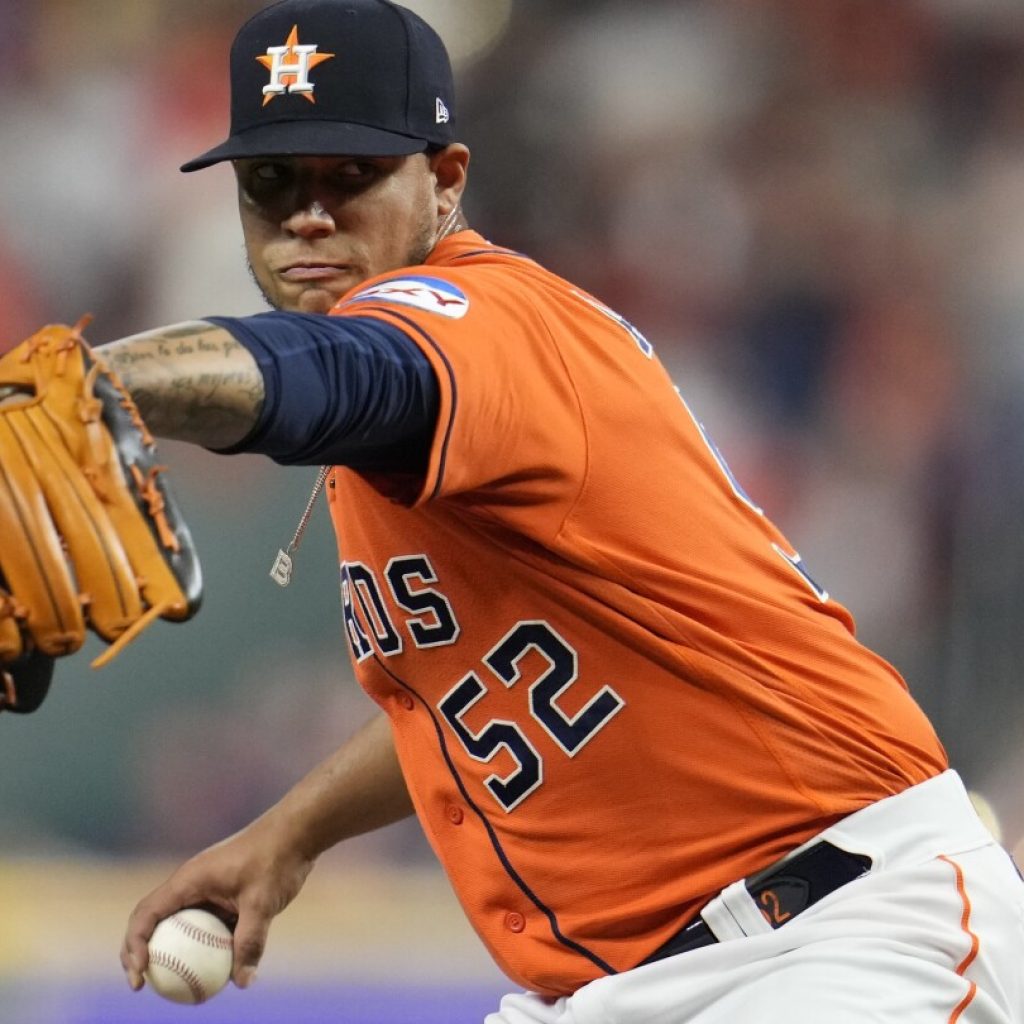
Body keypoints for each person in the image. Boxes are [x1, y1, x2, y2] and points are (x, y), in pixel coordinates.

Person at [110, 0, 1024, 1021]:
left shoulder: (485, 322)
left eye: (351, 176)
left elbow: (327, 373)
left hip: (839, 936)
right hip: (629, 984)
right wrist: (289, 832)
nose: (308, 217)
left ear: (444, 180)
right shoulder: (415, 435)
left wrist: (77, 387)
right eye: (272, 184)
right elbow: (492, 701)